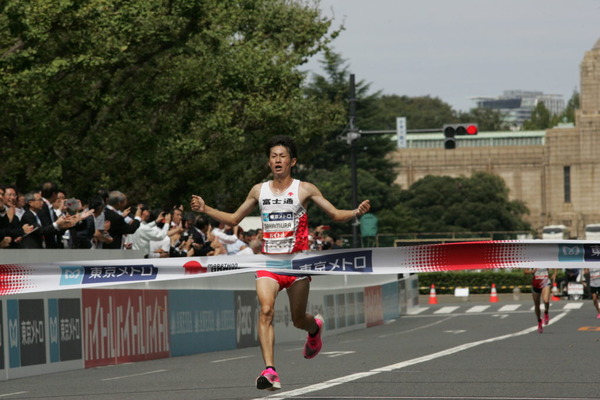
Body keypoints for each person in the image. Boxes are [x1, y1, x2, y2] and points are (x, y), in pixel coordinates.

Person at [191, 135, 370, 391]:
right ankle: (270, 370)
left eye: (282, 156)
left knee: (298, 320)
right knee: (265, 310)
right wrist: (206, 208)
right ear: (269, 162)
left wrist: (355, 212)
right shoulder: (258, 190)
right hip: (268, 264)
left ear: (292, 161)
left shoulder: (304, 189)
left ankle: (313, 328)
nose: (277, 160)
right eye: (273, 156)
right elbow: (233, 219)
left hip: (296, 265)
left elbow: (333, 213)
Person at [524, 267, 557, 333]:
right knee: (537, 304)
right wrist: (532, 271)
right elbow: (525, 271)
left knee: (546, 300)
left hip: (546, 282)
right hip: (535, 284)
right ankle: (539, 321)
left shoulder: (546, 259)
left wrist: (555, 274)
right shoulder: (532, 260)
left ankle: (546, 312)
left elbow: (555, 266)